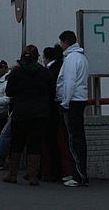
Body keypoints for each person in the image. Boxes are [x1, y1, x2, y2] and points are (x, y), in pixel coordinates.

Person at [3, 45, 55, 186]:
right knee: (35, 144)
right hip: (40, 113)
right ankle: (33, 176)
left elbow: (8, 92)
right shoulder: (45, 73)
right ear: (37, 57)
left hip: (20, 112)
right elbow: (52, 92)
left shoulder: (16, 72)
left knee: (16, 143)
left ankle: (12, 174)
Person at [56, 30, 89, 187]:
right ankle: (80, 173)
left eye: (61, 42)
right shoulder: (81, 57)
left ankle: (78, 175)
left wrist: (65, 102)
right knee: (78, 138)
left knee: (73, 139)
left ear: (65, 42)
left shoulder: (70, 59)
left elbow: (69, 82)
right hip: (80, 100)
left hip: (72, 102)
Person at [40, 45, 69, 182]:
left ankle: (50, 171)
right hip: (55, 108)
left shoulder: (49, 71)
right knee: (54, 142)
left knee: (48, 142)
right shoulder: (61, 67)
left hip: (49, 109)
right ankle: (56, 171)